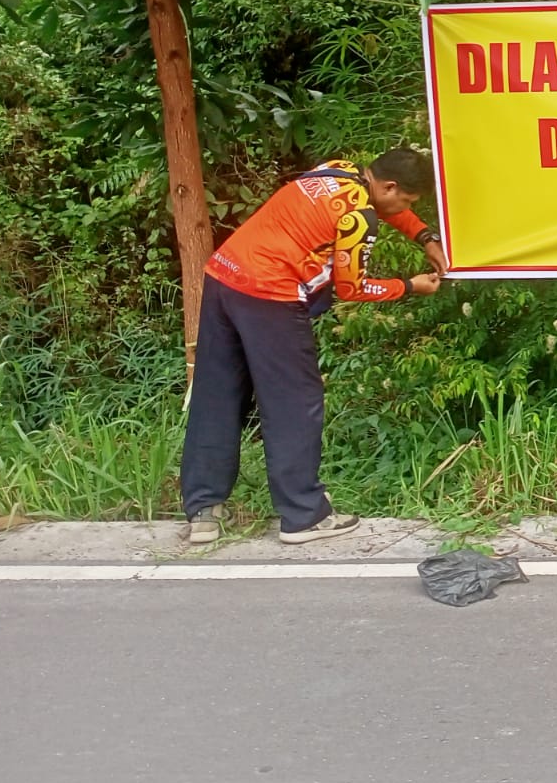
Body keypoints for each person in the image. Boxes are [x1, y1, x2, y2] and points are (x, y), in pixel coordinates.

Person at [180, 148, 448, 545]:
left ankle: (203, 510)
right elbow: (352, 288)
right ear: (389, 186)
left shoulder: (337, 169)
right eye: (406, 201)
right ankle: (303, 515)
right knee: (294, 402)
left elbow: (378, 205)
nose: (404, 208)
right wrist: (409, 285)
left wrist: (423, 236)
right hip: (270, 294)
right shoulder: (360, 218)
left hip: (225, 275)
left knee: (217, 394)